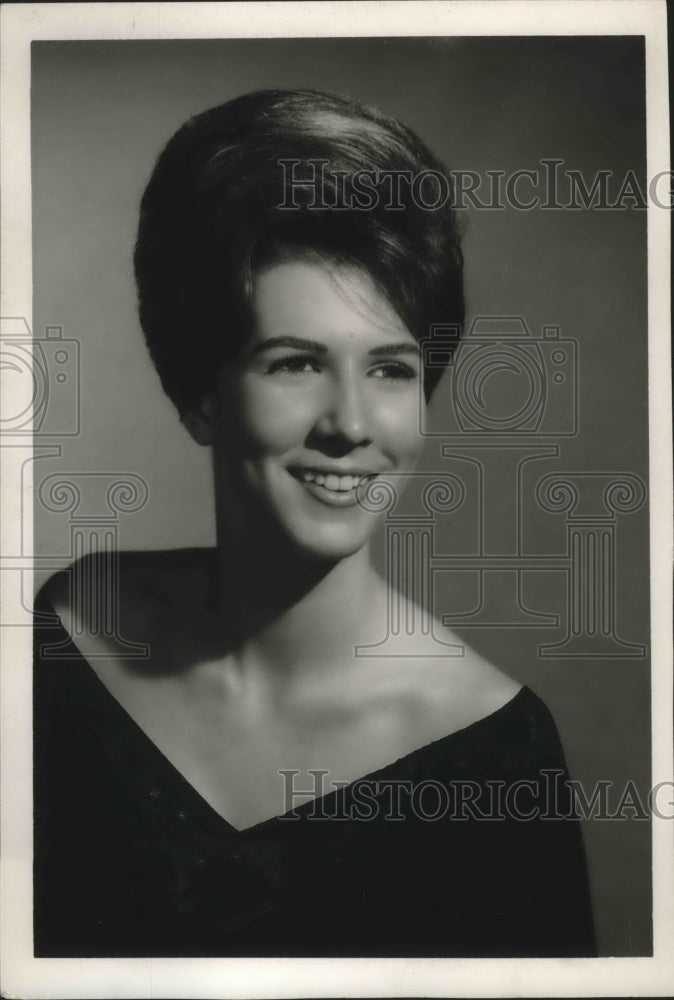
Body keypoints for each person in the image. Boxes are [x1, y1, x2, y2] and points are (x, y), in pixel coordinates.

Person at [33, 88, 596, 958]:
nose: (350, 424)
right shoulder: (65, 641)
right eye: (296, 363)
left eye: (391, 369)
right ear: (201, 394)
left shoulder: (497, 755)